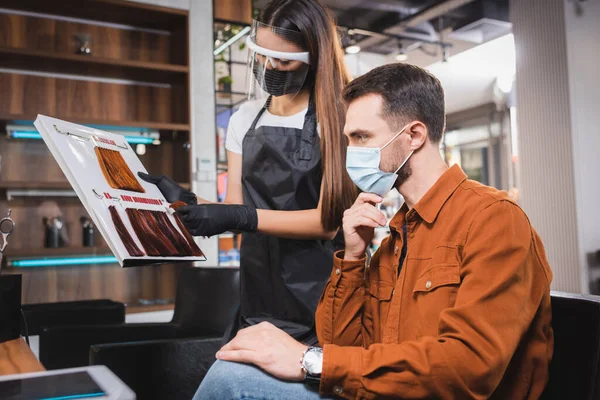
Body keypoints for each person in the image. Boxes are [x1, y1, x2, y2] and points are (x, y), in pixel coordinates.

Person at [194, 63, 554, 399]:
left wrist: (308, 360)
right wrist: (351, 258)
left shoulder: (493, 220)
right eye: (348, 139)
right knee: (232, 366)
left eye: (362, 137)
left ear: (413, 135)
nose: (351, 153)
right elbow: (345, 348)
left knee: (230, 383)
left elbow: (471, 366)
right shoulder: (396, 234)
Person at [140, 0, 355, 348]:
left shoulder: (338, 119)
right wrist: (187, 201)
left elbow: (327, 223)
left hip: (321, 298)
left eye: (283, 61)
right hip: (258, 297)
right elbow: (235, 207)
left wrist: (241, 216)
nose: (269, 68)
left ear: (314, 60)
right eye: (262, 56)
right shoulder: (245, 118)